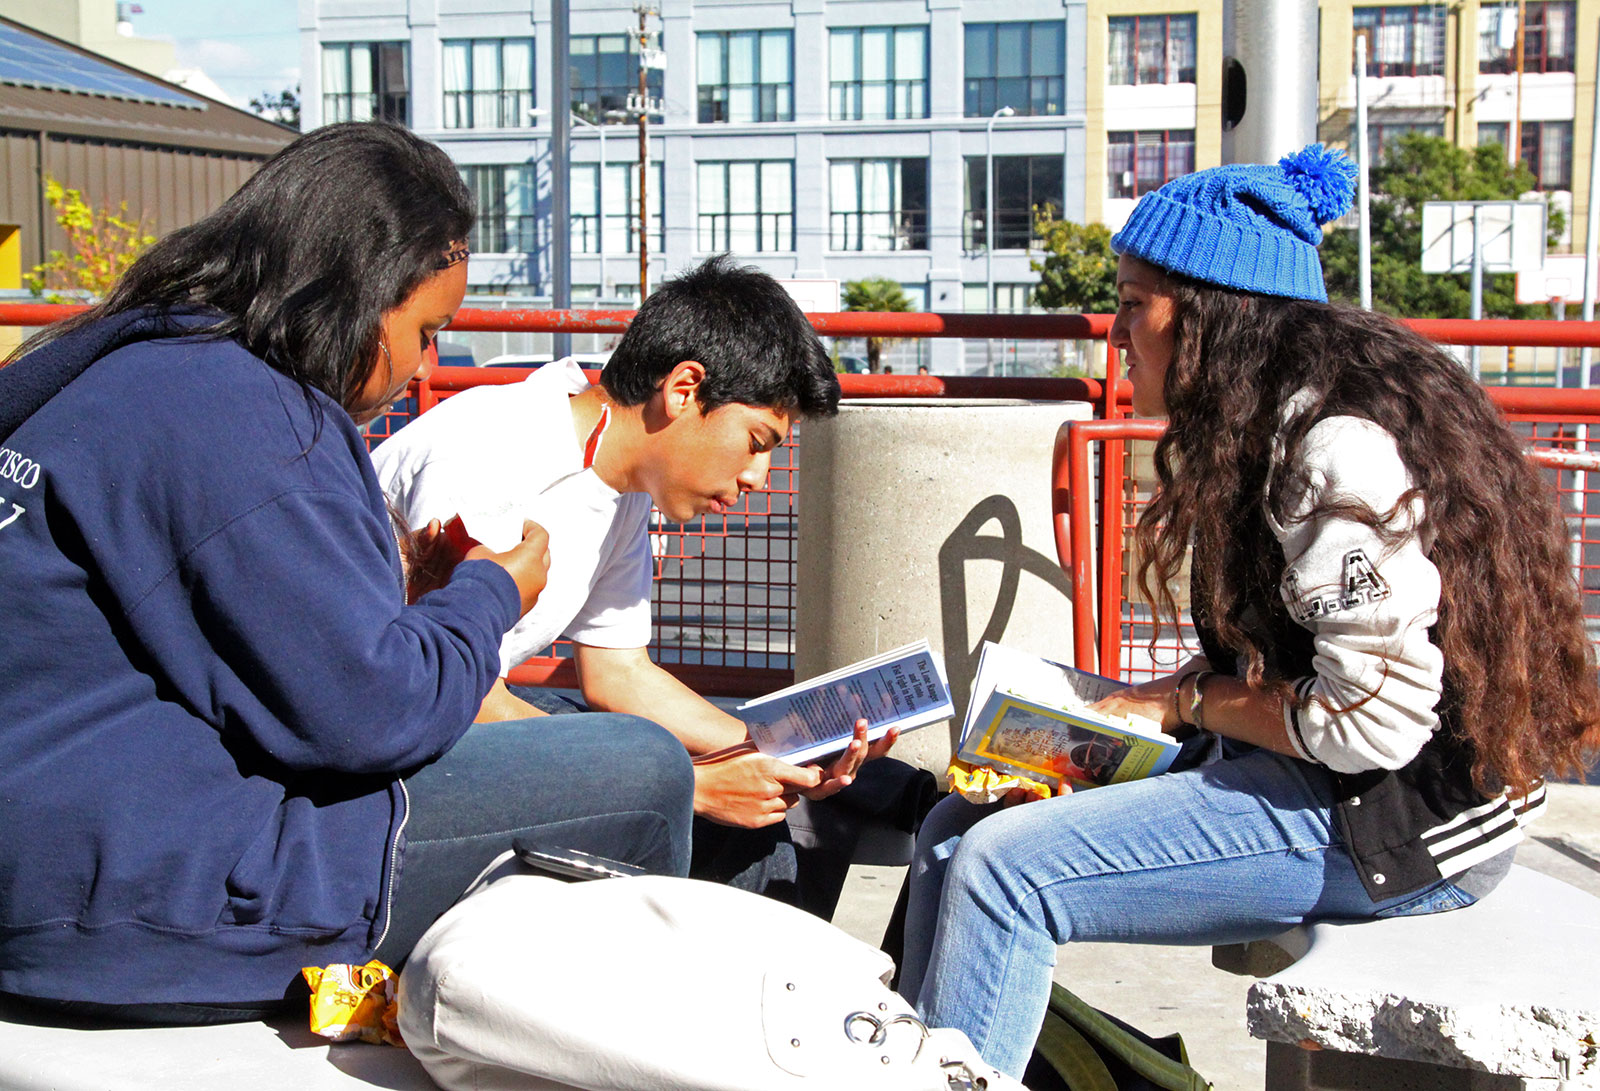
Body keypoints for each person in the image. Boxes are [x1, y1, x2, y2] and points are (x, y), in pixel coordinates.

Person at [897, 144, 1600, 1077]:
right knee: (955, 826)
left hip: (1400, 829)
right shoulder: (1261, 427)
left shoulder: (1336, 453)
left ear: (1208, 317)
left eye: (1132, 303)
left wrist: (1187, 705)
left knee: (1005, 872)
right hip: (1322, 781)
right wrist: (1165, 705)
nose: (1114, 334)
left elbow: (1373, 724)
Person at [0, 122, 694, 1025]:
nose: (425, 367)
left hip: (68, 830)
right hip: (131, 893)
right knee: (643, 770)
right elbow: (370, 713)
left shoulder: (127, 363)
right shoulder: (249, 419)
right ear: (362, 295)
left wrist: (408, 591)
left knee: (564, 720)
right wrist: (489, 593)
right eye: (427, 331)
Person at [372, 256, 931, 916]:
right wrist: (687, 784)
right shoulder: (500, 452)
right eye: (756, 440)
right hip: (383, 774)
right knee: (715, 819)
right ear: (684, 389)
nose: (758, 474)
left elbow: (618, 675)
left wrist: (771, 750)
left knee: (787, 806)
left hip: (447, 733)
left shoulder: (621, 483)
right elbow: (448, 696)